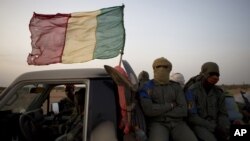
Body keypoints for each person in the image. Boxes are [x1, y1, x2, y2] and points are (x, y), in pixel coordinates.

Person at [139, 57, 197, 141]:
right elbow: (149, 110)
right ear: (154, 68)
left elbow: (183, 110)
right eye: (158, 66)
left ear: (169, 69)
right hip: (158, 123)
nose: (162, 69)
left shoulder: (176, 87)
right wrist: (171, 105)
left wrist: (159, 110)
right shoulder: (147, 87)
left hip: (178, 123)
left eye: (165, 67)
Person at [185, 62, 231, 141]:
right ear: (204, 74)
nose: (215, 77)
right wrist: (214, 128)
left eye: (217, 75)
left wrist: (225, 127)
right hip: (199, 125)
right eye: (212, 74)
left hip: (216, 124)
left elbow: (222, 113)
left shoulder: (218, 92)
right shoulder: (191, 92)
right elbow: (192, 117)